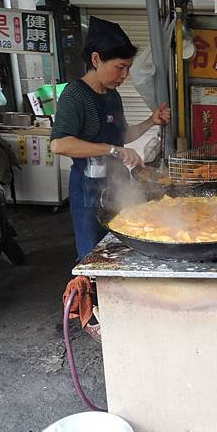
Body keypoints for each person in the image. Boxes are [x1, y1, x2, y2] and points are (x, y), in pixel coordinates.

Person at [50, 17, 170, 261]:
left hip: (117, 186)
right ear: (96, 59)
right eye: (120, 67)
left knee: (124, 249)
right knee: (94, 255)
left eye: (128, 68)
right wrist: (113, 150)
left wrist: (150, 121)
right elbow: (59, 144)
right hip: (88, 192)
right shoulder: (75, 95)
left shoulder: (112, 95)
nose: (125, 75)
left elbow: (120, 135)